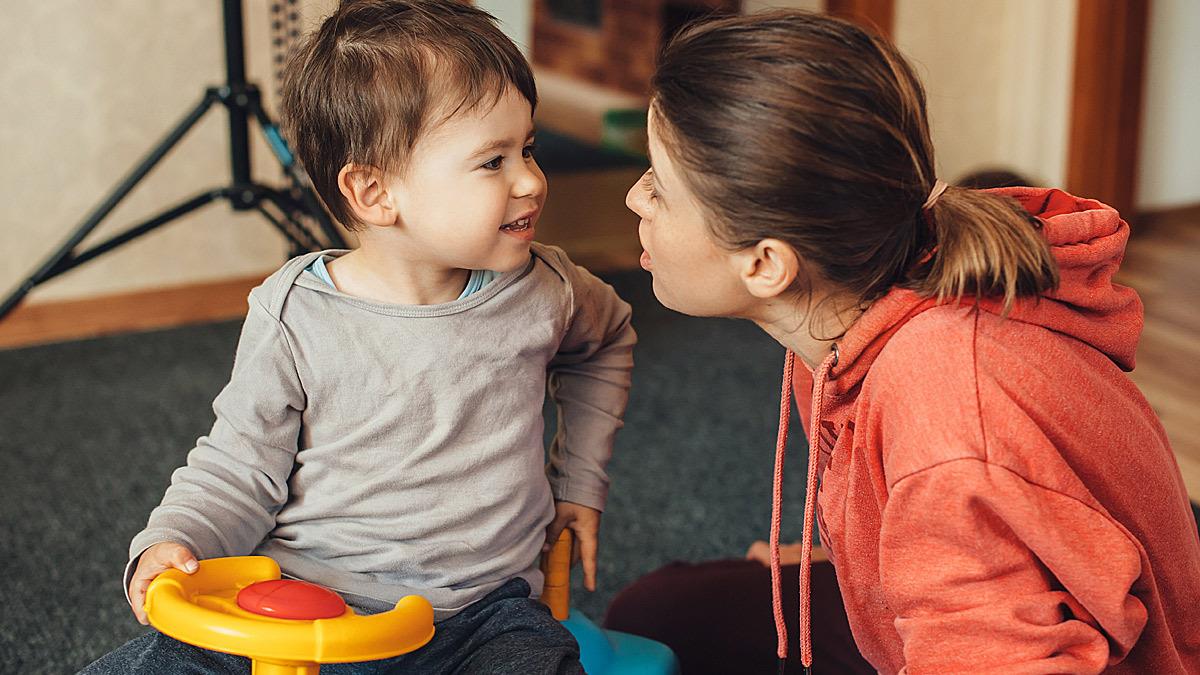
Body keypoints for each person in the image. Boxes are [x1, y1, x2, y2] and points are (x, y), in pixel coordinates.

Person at [604, 10, 1200, 675]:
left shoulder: (944, 410)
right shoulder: (864, 294)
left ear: (767, 264)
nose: (635, 199)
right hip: (946, 587)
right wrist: (877, 552)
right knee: (657, 618)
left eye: (660, 185)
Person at [82, 2, 635, 673]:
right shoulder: (295, 314)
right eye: (493, 161)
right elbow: (237, 466)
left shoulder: (547, 287)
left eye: (529, 148)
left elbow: (607, 341)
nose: (531, 180)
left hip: (479, 619)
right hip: (308, 605)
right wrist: (173, 539)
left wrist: (578, 479)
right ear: (375, 192)